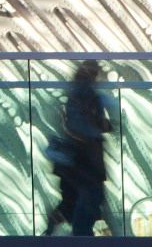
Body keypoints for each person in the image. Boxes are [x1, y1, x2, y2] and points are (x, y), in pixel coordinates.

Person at [55, 60, 113, 236]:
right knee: (89, 201)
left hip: (76, 161)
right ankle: (80, 237)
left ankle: (53, 232)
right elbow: (83, 126)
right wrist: (102, 126)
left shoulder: (75, 94)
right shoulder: (88, 96)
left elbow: (74, 124)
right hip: (86, 161)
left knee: (72, 202)